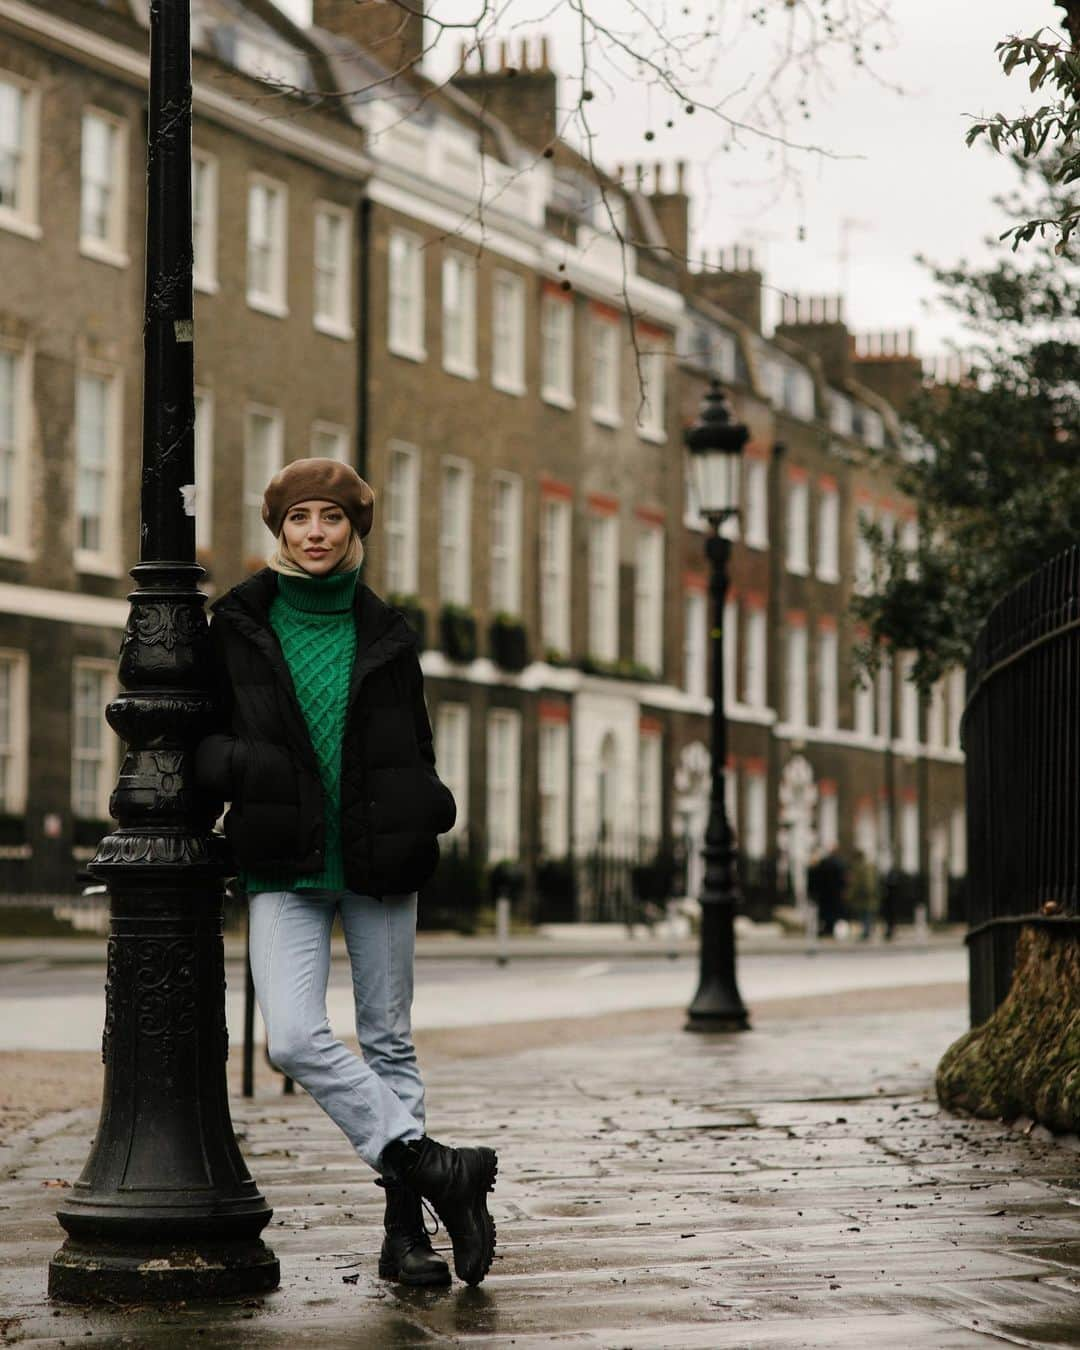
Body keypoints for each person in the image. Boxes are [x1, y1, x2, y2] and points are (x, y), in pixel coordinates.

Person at [195, 458, 497, 1288]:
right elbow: (197, 742)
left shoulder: (389, 632)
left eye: (331, 517)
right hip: (283, 864)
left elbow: (418, 745)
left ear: (355, 529)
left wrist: (428, 801)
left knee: (390, 1042)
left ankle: (409, 1237)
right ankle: (436, 1170)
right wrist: (250, 766)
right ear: (279, 530)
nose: (316, 532)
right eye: (300, 519)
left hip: (377, 863)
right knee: (292, 1036)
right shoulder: (239, 624)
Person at [848, 848, 879, 940]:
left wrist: (852, 894)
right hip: (868, 895)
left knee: (865, 913)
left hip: (864, 895)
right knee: (867, 913)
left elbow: (862, 882)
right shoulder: (869, 866)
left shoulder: (860, 867)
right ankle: (867, 931)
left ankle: (866, 932)